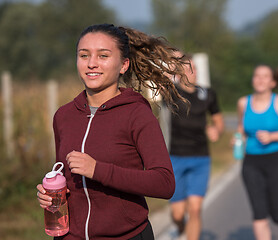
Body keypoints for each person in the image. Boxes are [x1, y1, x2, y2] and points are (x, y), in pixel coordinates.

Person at [36, 23, 192, 240]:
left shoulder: (137, 114)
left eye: (103, 56)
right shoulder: (63, 116)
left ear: (123, 65)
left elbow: (164, 183)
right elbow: (67, 177)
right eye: (84, 55)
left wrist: (98, 170)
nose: (91, 63)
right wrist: (51, 190)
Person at [236, 62, 278, 240]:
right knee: (259, 214)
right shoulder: (243, 103)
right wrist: (237, 138)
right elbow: (241, 128)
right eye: (257, 75)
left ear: (272, 82)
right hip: (251, 163)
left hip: (276, 161)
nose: (260, 79)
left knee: (277, 213)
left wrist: (272, 137)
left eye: (265, 76)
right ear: (252, 80)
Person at [168, 56, 224, 240]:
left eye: (193, 68)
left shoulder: (207, 94)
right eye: (186, 68)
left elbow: (218, 121)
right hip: (176, 157)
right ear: (178, 72)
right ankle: (180, 228)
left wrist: (217, 130)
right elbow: (154, 83)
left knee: (195, 209)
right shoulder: (170, 92)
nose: (191, 72)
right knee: (177, 214)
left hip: (201, 157)